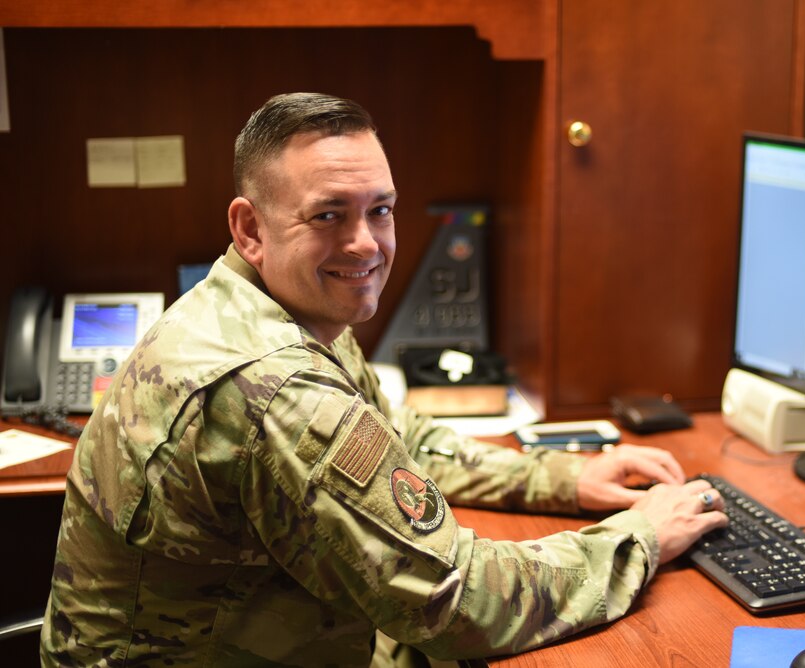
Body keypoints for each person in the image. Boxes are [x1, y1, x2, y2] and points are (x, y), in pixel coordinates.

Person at [41, 92, 729, 666]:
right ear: (250, 227)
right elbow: (454, 600)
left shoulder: (257, 306)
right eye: (328, 215)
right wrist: (637, 536)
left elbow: (395, 441)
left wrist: (566, 480)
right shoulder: (277, 391)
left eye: (381, 209)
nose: (367, 244)